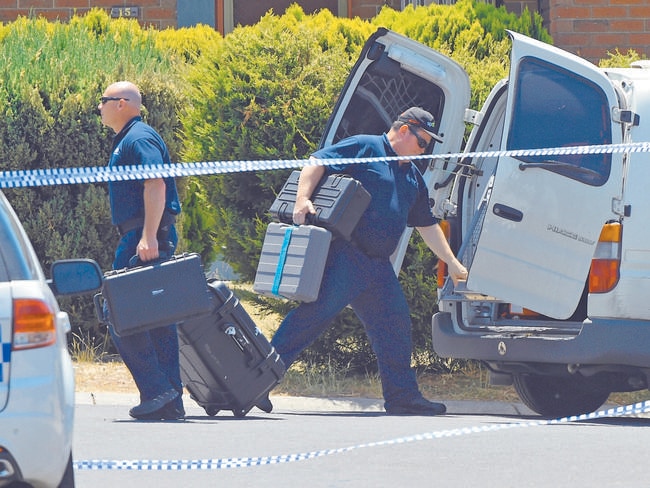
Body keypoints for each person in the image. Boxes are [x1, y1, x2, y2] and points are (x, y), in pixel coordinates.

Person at [271, 107, 468, 416]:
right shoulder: (366, 147)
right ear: (404, 130)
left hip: (377, 267)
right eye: (422, 143)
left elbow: (426, 226)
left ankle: (402, 398)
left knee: (395, 325)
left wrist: (452, 263)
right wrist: (301, 200)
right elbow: (316, 161)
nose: (423, 152)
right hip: (348, 256)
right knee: (312, 318)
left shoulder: (412, 176)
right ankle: (258, 380)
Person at [98, 81, 184, 420]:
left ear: (122, 103)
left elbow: (156, 183)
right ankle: (169, 400)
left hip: (143, 237)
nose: (99, 107)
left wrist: (148, 237)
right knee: (157, 319)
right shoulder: (128, 139)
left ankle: (157, 390)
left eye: (103, 101)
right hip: (141, 234)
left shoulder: (139, 137)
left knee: (117, 311)